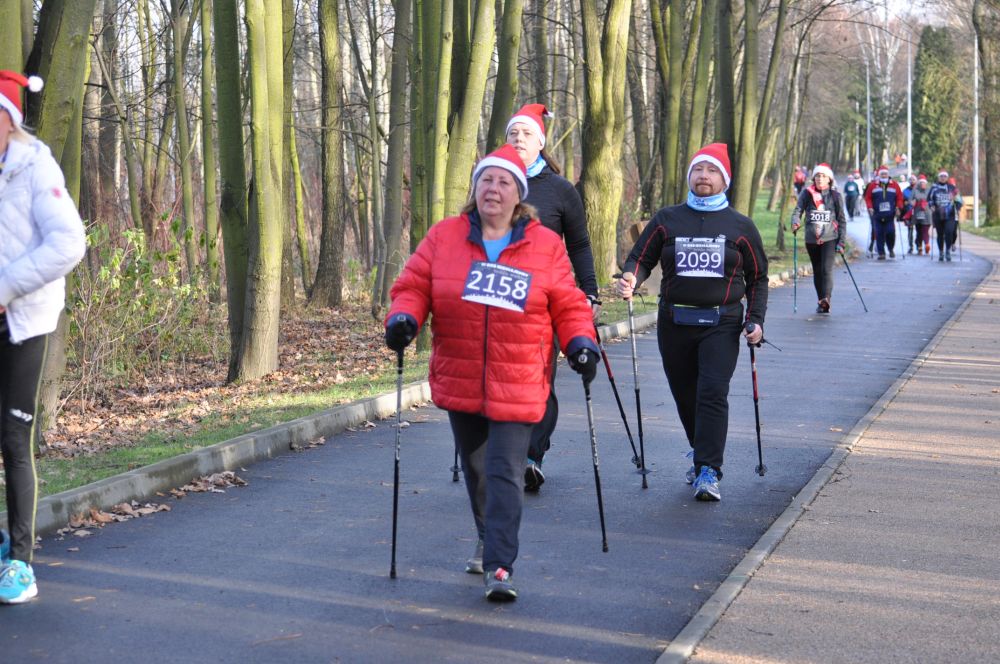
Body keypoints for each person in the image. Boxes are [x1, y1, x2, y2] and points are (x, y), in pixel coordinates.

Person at [384, 144, 599, 601]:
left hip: (519, 379)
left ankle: (500, 565)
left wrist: (581, 342)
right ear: (474, 188)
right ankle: (487, 536)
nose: (493, 189)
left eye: (503, 182)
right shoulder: (444, 236)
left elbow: (568, 304)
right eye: (486, 180)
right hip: (462, 374)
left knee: (505, 472)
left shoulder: (544, 245)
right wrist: (404, 318)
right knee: (478, 471)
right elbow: (414, 286)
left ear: (519, 194)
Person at [616, 143, 768, 502]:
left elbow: (758, 278)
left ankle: (708, 469)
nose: (704, 176)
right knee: (685, 395)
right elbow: (641, 258)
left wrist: (755, 320)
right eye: (698, 169)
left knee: (712, 392)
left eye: (712, 170)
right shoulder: (667, 219)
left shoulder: (740, 226)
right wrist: (631, 277)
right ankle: (700, 451)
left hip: (722, 322)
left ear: (725, 179)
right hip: (675, 321)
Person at [0, 71, 86, 604]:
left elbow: (69, 243)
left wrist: (6, 287)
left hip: (25, 321)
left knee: (13, 438)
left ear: (10, 122)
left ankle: (21, 563)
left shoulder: (37, 167)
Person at [504, 103, 599, 492]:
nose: (519, 139)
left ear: (541, 143)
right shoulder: (495, 180)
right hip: (498, 297)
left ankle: (532, 457)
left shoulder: (560, 190)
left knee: (539, 380)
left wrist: (589, 291)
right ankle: (502, 453)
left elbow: (579, 244)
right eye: (513, 134)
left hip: (543, 301)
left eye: (526, 134)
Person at [792, 163, 848, 314]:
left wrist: (841, 242)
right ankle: (821, 300)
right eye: (817, 176)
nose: (820, 179)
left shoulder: (835, 196)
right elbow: (798, 210)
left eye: (823, 176)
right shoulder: (807, 193)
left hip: (830, 237)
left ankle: (826, 299)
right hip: (812, 238)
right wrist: (795, 221)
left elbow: (842, 220)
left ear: (829, 179)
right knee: (817, 270)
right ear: (813, 178)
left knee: (826, 269)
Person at [863, 166, 904, 259]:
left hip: (890, 214)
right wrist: (870, 207)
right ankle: (881, 253)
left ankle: (890, 249)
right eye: (882, 174)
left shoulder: (895, 185)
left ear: (888, 174)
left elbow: (899, 198)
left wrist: (898, 207)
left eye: (885, 174)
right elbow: (868, 198)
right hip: (877, 214)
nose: (884, 175)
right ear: (879, 175)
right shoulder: (873, 185)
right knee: (878, 233)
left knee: (890, 232)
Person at [928, 171, 961, 261]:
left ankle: (947, 251)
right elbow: (929, 199)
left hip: (950, 215)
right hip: (938, 214)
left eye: (944, 176)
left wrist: (958, 207)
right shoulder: (934, 188)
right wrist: (931, 206)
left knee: (949, 232)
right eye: (941, 176)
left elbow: (958, 200)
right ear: (938, 177)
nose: (943, 178)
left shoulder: (952, 188)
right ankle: (941, 252)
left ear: (947, 177)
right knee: (940, 234)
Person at [907, 174, 932, 255]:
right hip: (918, 211)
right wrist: (912, 202)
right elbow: (910, 199)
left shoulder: (929, 190)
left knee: (925, 229)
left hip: (927, 211)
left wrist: (931, 205)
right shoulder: (915, 189)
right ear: (919, 183)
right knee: (919, 230)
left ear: (926, 183)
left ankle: (927, 244)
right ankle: (919, 246)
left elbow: (932, 199)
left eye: (924, 183)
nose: (922, 184)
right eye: (921, 183)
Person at [901, 174, 918, 253]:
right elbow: (902, 201)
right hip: (909, 212)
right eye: (910, 179)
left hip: (918, 212)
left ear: (916, 181)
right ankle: (910, 246)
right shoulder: (905, 190)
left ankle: (918, 244)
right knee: (910, 230)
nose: (912, 181)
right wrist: (907, 202)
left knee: (919, 230)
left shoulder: (920, 190)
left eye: (913, 179)